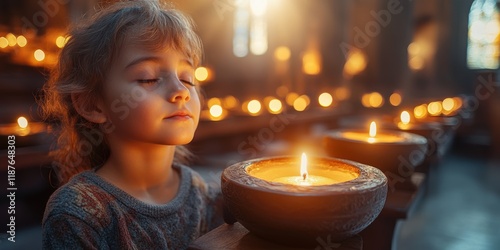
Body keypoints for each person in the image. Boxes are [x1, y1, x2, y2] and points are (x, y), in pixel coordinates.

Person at [41, 1, 222, 249]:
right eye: (148, 78)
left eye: (187, 78)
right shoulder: (79, 215)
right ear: (92, 105)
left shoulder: (200, 193)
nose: (181, 91)